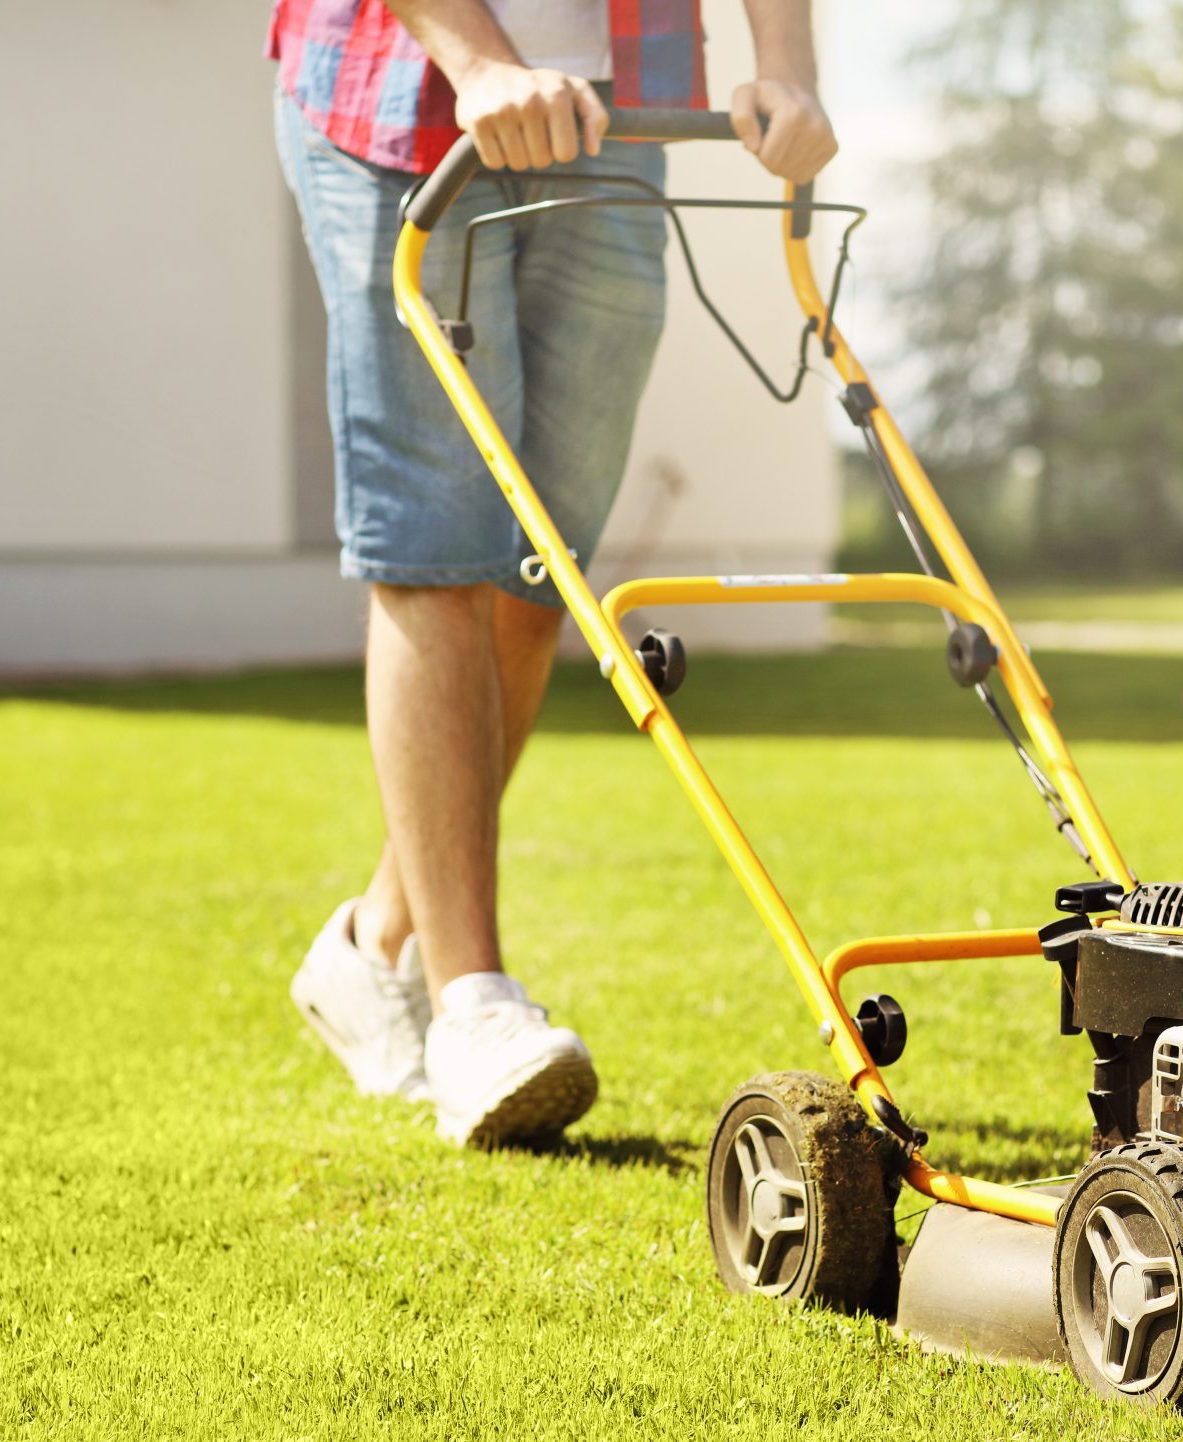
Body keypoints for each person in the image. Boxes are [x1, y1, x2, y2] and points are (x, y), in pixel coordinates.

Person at [267, 0, 836, 1146]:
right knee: (435, 544)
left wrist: (787, 67)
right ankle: (469, 999)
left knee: (540, 575)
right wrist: (478, 61)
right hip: (405, 112)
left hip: (618, 115)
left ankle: (375, 942)